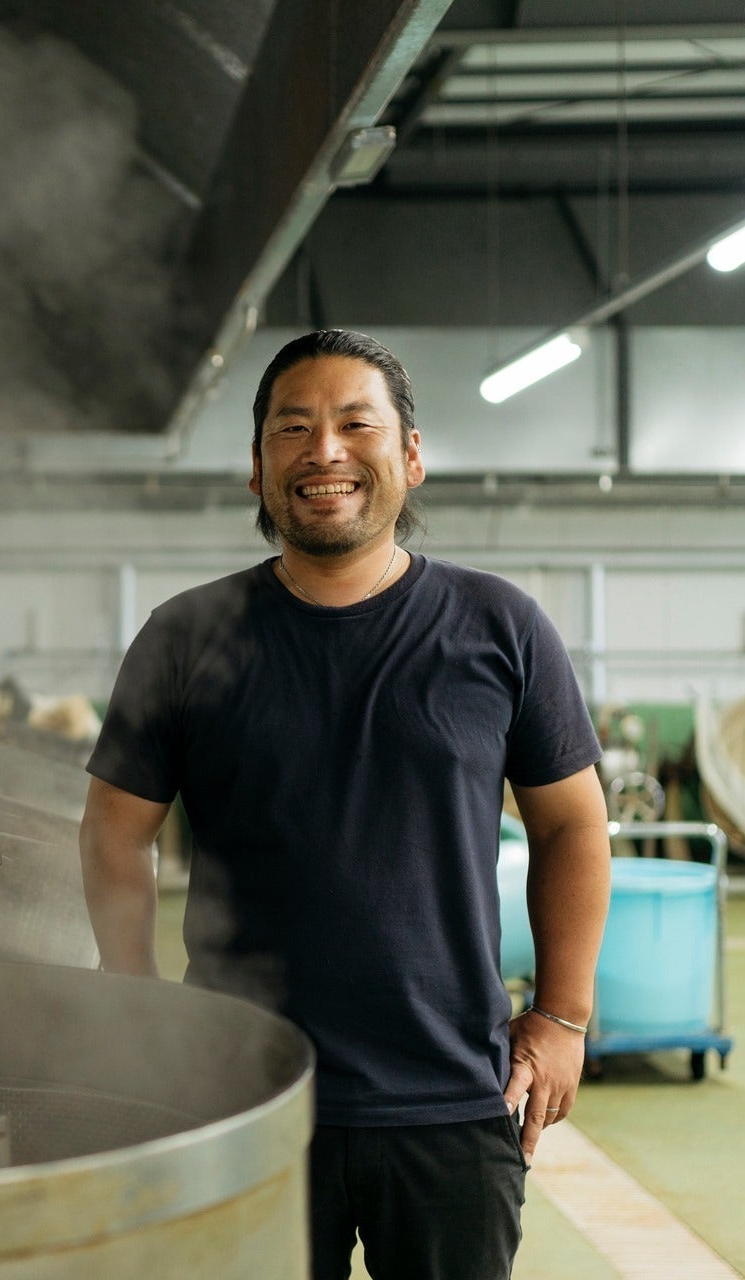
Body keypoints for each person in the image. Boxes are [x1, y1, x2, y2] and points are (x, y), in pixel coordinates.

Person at [79, 329, 611, 1279]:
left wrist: (563, 1018)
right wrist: (136, 1002)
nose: (324, 450)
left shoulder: (500, 628)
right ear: (258, 469)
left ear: (410, 456)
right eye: (293, 429)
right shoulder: (185, 638)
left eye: (355, 424)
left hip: (451, 1098)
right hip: (245, 1097)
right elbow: (115, 834)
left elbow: (571, 823)